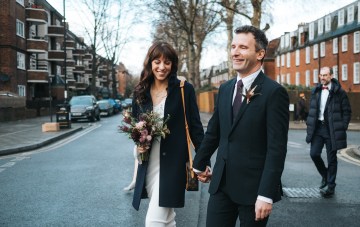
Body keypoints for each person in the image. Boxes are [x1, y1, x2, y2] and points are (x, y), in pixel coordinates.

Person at [193, 25, 289, 227]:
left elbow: (276, 149)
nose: (235, 52)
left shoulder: (274, 93)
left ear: (260, 54)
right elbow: (214, 131)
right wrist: (199, 164)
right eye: (233, 46)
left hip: (254, 192)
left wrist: (266, 194)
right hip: (221, 185)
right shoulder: (226, 88)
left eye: (243, 47)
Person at [131, 41, 204, 226]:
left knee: (154, 221)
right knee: (167, 220)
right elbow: (135, 128)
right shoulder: (140, 92)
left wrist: (204, 161)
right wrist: (138, 146)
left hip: (173, 166)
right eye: (157, 61)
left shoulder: (183, 89)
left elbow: (195, 127)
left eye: (167, 62)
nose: (162, 67)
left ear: (173, 65)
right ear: (150, 63)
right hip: (148, 164)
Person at [306, 66, 351, 198]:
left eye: (325, 75)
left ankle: (330, 186)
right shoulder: (316, 91)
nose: (322, 77)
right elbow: (313, 111)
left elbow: (347, 111)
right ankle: (325, 176)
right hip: (318, 128)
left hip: (332, 129)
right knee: (314, 154)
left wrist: (342, 127)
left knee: (332, 158)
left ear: (331, 76)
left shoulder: (339, 92)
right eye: (321, 75)